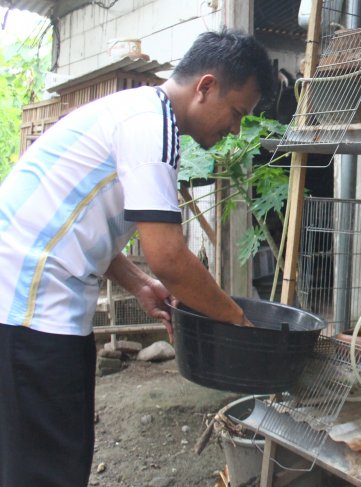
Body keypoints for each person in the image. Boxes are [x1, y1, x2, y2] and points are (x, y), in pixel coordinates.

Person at [0, 29, 274, 487]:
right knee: (48, 467)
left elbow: (78, 220)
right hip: (30, 309)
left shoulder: (135, 111)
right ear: (205, 87)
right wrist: (237, 321)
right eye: (236, 113)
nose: (234, 129)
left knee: (29, 458)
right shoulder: (152, 127)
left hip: (20, 299)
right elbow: (168, 256)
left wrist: (140, 284)